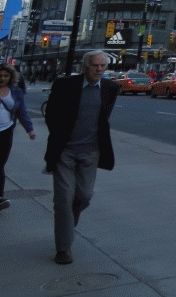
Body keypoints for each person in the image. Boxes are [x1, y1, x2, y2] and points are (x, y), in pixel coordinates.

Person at [44, 50, 119, 265]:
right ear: (85, 66)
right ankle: (63, 249)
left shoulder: (110, 88)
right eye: (95, 65)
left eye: (103, 66)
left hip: (91, 152)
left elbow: (103, 118)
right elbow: (51, 114)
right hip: (64, 152)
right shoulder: (65, 85)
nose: (99, 69)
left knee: (84, 196)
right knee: (63, 199)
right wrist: (59, 136)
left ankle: (67, 224)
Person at [0, 63, 36, 211]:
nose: (2, 78)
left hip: (6, 131)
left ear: (11, 77)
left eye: (6, 76)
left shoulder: (15, 91)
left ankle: (0, 198)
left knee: (0, 164)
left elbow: (21, 111)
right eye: (0, 76)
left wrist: (30, 129)